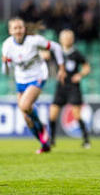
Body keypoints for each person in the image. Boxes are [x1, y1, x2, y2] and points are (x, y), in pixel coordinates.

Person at [1, 17, 66, 154]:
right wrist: (5, 63)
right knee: (26, 117)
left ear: (24, 29)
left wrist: (61, 68)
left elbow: (56, 47)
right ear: (10, 30)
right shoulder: (7, 45)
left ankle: (42, 127)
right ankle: (44, 145)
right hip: (21, 81)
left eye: (20, 27)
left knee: (25, 106)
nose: (18, 30)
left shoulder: (34, 41)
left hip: (37, 76)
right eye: (15, 28)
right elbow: (6, 72)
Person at [48, 29, 91, 148]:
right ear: (61, 39)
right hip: (60, 86)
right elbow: (45, 56)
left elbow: (87, 67)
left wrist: (80, 75)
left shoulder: (76, 54)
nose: (67, 39)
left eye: (69, 37)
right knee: (52, 114)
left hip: (73, 87)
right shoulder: (57, 52)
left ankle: (86, 139)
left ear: (73, 39)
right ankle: (52, 140)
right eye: (65, 37)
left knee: (76, 114)